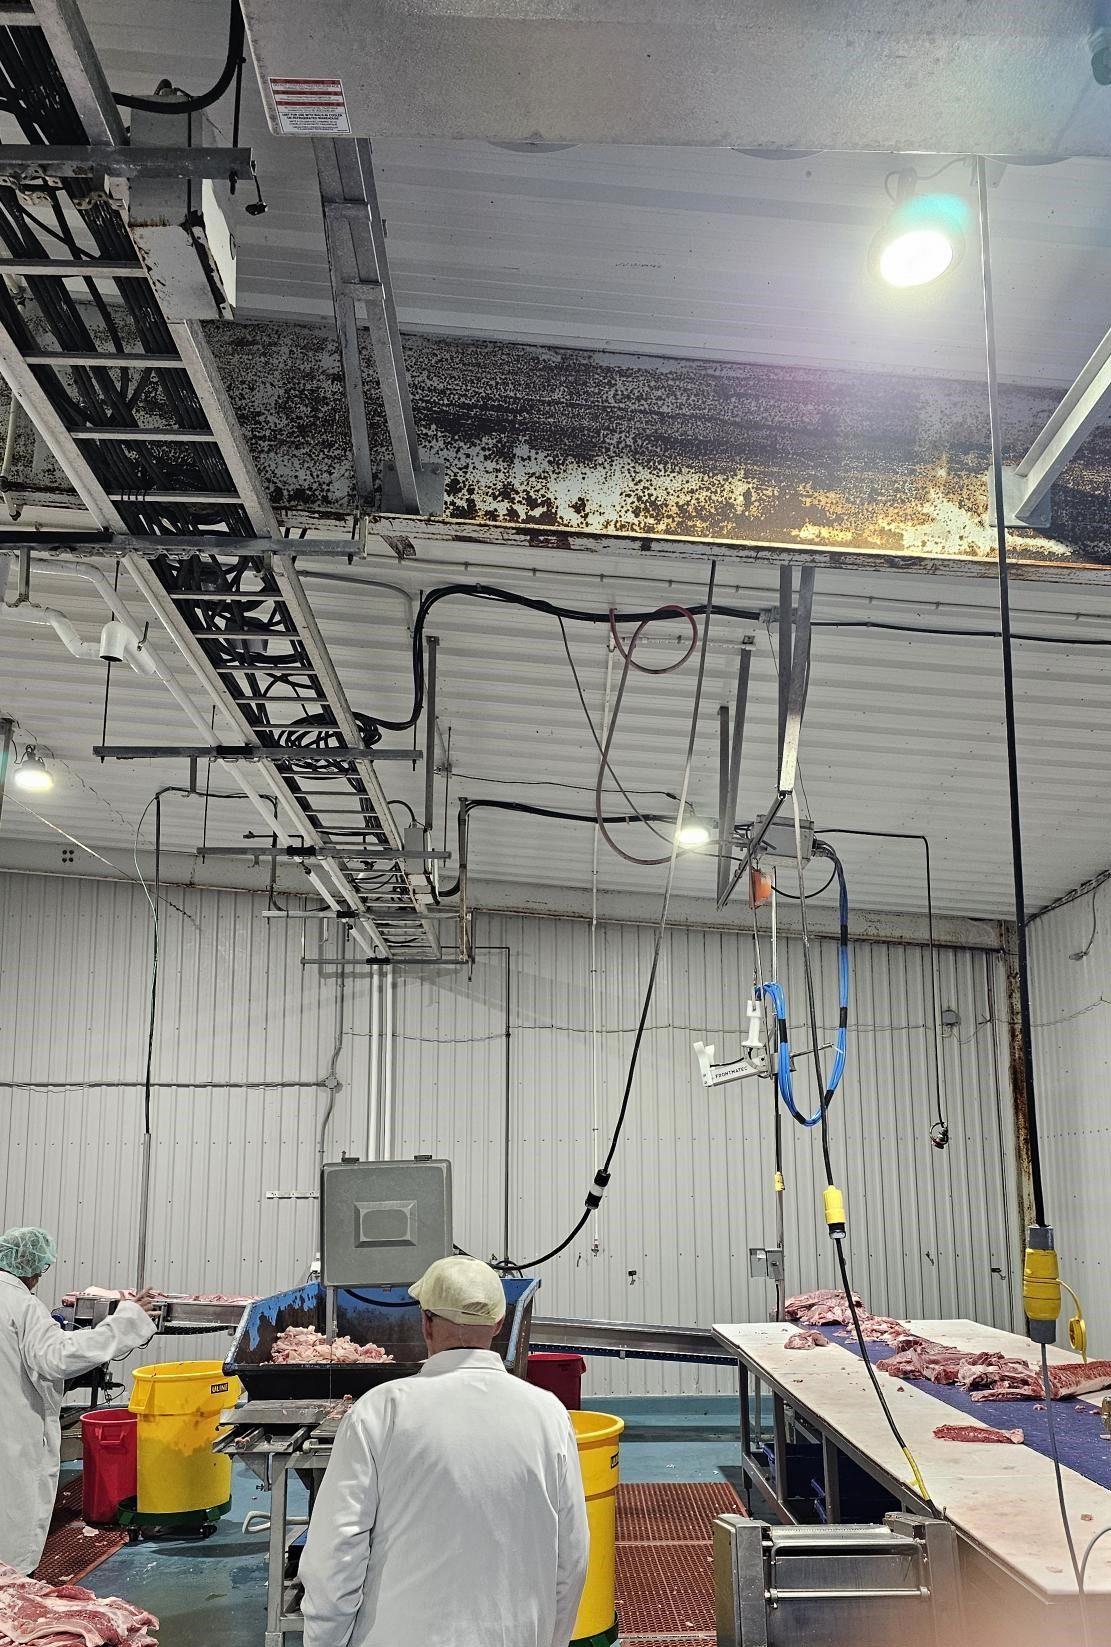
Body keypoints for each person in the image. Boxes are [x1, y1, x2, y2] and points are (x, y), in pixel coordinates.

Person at [300, 1256, 590, 1647]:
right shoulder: (549, 1414)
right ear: (499, 1324)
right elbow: (571, 1556)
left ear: (425, 1322)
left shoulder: (380, 1412)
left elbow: (334, 1558)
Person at [0, 1226, 157, 1575]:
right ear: (33, 1268)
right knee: (11, 1532)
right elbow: (57, 1357)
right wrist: (127, 1321)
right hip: (12, 1432)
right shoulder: (21, 1304)